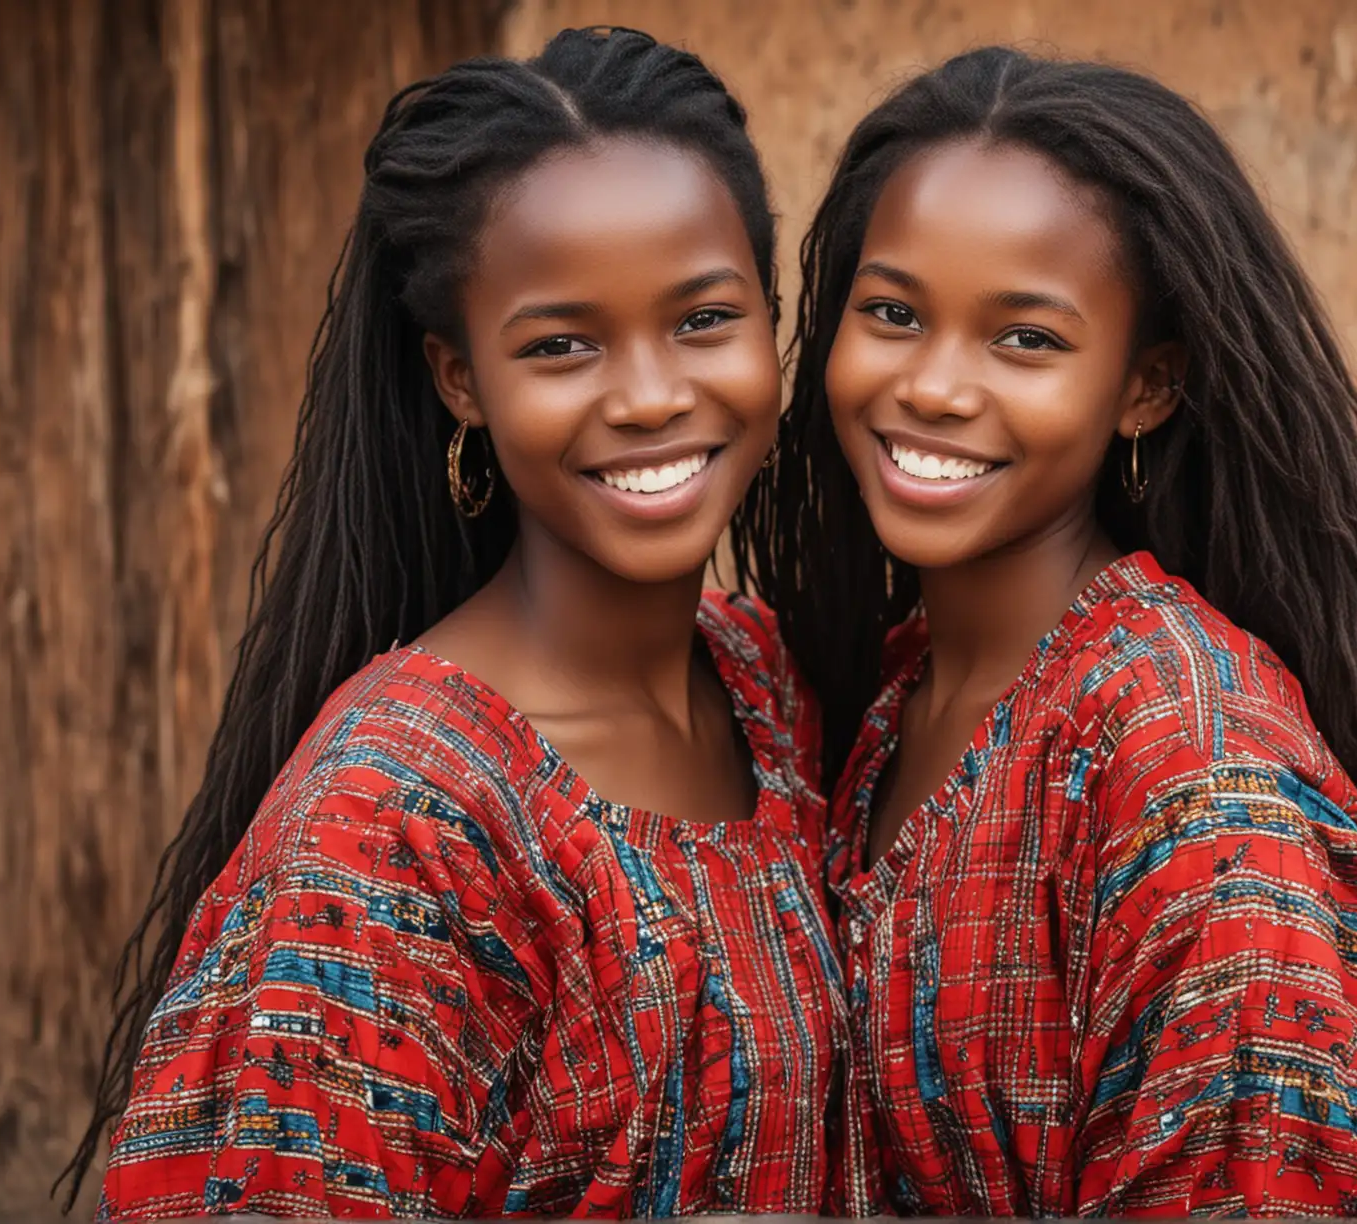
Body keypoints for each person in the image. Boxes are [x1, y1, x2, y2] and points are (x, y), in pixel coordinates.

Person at [734, 46, 1357, 1218]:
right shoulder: (896, 694)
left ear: (1145, 387)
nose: (935, 386)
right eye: (894, 313)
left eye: (1026, 339)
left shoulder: (1190, 772)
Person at [67, 29, 842, 1219]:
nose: (649, 394)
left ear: (770, 323)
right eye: (562, 346)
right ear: (460, 378)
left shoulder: (768, 688)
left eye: (702, 320)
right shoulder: (398, 826)